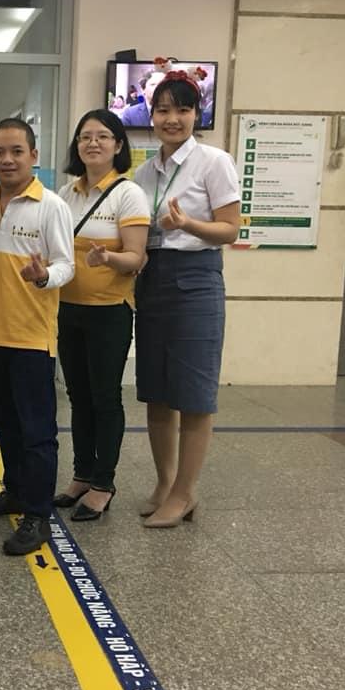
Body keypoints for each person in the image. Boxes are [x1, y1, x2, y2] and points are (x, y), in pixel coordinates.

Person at [132, 71, 240, 528]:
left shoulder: (214, 161)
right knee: (157, 390)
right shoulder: (144, 171)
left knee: (193, 393)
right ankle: (164, 483)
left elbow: (230, 230)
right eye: (163, 110)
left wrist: (188, 225)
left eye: (182, 109)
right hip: (153, 277)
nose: (172, 119)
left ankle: (185, 492)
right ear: (151, 116)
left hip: (196, 279)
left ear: (197, 114)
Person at [0, 119, 75, 556]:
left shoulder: (51, 206)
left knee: (37, 432)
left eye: (16, 151)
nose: (7, 160)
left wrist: (44, 275)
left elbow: (68, 265)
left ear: (34, 155)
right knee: (7, 425)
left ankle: (37, 512)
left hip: (32, 338)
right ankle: (13, 491)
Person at [53, 111, 150, 521]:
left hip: (109, 311)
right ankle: (82, 474)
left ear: (117, 145)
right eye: (85, 137)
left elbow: (137, 258)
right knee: (77, 395)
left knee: (105, 397)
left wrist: (107, 257)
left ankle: (103, 484)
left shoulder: (129, 194)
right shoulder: (66, 192)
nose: (93, 143)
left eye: (103, 136)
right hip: (67, 308)